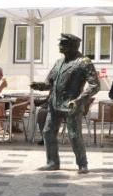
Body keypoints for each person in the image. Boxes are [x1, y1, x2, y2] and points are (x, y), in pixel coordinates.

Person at [36, 33, 100, 173]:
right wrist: (40, 86)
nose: (60, 46)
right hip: (55, 104)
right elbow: (49, 83)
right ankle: (52, 162)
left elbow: (95, 85)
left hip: (72, 105)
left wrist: (79, 100)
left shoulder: (84, 62)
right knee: (47, 132)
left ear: (72, 46)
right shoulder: (59, 62)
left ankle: (82, 164)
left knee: (74, 135)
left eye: (63, 43)